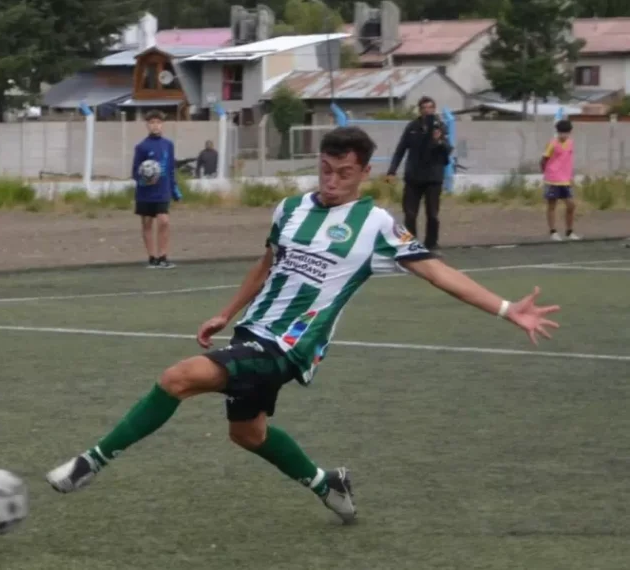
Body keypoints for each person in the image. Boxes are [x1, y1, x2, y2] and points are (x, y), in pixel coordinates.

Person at [46, 126, 559, 523]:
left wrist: (504, 307)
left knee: (177, 378)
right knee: (246, 433)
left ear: (364, 172)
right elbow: (268, 262)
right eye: (326, 169)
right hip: (252, 333)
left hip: (288, 348)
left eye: (344, 173)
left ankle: (91, 462)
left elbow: (435, 271)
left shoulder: (376, 225)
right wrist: (227, 312)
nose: (332, 180)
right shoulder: (289, 209)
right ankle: (327, 484)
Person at [386, 96, 452, 251]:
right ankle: (410, 244)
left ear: (434, 109)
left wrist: (439, 141)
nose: (427, 110)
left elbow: (447, 150)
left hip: (433, 177)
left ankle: (432, 243)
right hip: (413, 176)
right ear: (420, 110)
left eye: (430, 107)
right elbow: (400, 150)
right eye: (424, 108)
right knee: (409, 213)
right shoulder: (412, 127)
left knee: (433, 214)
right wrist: (392, 171)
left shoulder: (440, 127)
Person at [132, 110, 181, 269]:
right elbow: (135, 171)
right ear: (147, 125)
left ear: (162, 125)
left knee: (164, 221)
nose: (155, 125)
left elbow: (171, 169)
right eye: (152, 122)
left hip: (163, 191)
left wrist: (174, 189)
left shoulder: (168, 145)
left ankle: (163, 256)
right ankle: (152, 257)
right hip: (145, 192)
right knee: (147, 223)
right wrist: (146, 178)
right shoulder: (141, 147)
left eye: (158, 122)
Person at [541, 120, 582, 241]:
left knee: (571, 205)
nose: (563, 135)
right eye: (561, 133)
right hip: (552, 179)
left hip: (565, 180)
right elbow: (543, 160)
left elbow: (568, 161)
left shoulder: (570, 143)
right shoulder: (552, 144)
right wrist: (547, 173)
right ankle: (553, 232)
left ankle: (569, 231)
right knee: (552, 205)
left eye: (566, 133)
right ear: (557, 132)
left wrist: (570, 177)